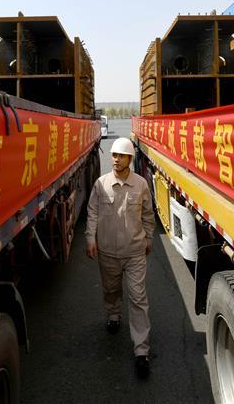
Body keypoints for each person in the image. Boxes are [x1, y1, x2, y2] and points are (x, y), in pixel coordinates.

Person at [85, 137, 155, 378]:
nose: (116, 159)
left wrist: (149, 239)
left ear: (130, 159)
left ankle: (141, 351)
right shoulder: (101, 184)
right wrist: (90, 238)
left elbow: (148, 215)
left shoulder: (141, 184)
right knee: (111, 289)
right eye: (114, 155)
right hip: (108, 252)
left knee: (138, 298)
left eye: (121, 156)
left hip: (134, 252)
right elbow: (92, 212)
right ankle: (113, 315)